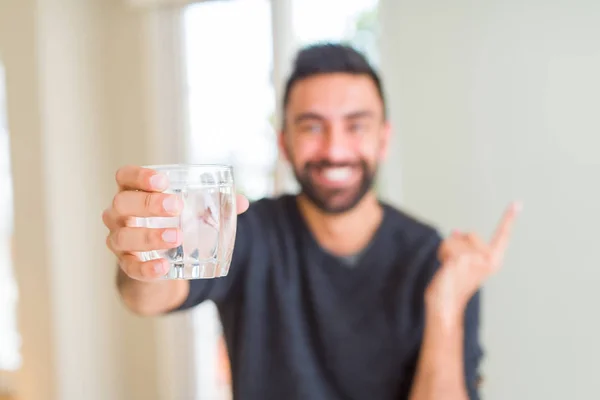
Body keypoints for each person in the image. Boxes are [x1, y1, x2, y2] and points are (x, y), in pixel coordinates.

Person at [103, 43, 520, 400]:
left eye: (355, 126)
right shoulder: (251, 232)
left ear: (383, 139)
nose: (334, 149)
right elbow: (149, 297)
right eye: (312, 127)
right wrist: (143, 255)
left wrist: (445, 306)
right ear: (285, 142)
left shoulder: (435, 258)